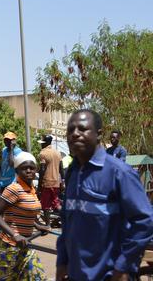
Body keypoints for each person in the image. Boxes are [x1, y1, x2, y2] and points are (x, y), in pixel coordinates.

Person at [56, 110, 153, 281]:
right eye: (70, 130)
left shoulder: (119, 172)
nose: (75, 134)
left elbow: (145, 221)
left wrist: (123, 265)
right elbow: (66, 221)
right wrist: (62, 261)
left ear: (98, 134)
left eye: (82, 129)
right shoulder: (73, 172)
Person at [0, 152, 48, 280]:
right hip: (9, 245)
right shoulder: (14, 189)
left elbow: (25, 213)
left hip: (26, 244)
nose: (28, 171)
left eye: (31, 168)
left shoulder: (32, 190)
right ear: (17, 170)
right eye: (24, 168)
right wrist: (15, 235)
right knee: (5, 278)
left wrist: (38, 226)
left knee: (38, 277)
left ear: (36, 170)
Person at [0, 132, 22, 237]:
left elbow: (12, 164)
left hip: (11, 183)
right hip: (1, 182)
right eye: (5, 140)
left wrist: (12, 150)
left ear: (13, 141)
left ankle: (10, 229)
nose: (6, 142)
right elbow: (3, 164)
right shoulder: (4, 151)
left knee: (10, 208)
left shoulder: (17, 151)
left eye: (9, 140)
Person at [37, 134, 63, 226]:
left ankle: (47, 224)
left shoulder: (43, 153)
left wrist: (39, 185)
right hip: (56, 182)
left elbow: (42, 169)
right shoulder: (57, 153)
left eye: (42, 143)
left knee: (45, 205)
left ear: (45, 143)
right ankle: (66, 218)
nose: (41, 145)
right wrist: (62, 181)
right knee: (56, 203)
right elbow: (61, 168)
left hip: (47, 183)